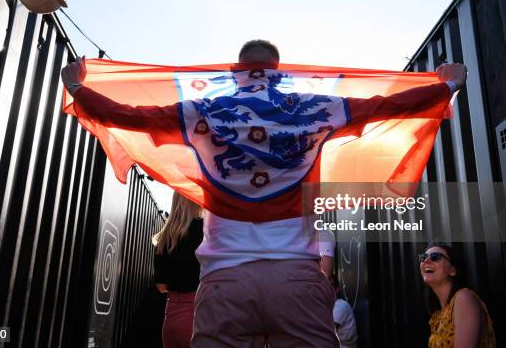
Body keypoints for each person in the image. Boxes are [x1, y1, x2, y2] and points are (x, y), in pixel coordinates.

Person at [62, 40, 468, 347]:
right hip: (297, 277)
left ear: (236, 71)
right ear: (278, 70)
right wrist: (445, 85)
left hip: (225, 279)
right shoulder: (314, 109)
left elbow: (129, 116)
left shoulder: (203, 111)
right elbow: (383, 106)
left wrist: (78, 89)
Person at [153, 192, 203, 348]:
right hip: (197, 315)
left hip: (171, 318)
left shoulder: (164, 238)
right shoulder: (205, 230)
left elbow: (161, 287)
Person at [420, 244, 496, 348]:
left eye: (435, 257)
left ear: (453, 270)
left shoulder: (463, 298)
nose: (426, 261)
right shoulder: (438, 315)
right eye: (423, 257)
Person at [329, 277, 357, 348]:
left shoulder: (341, 305)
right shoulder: (327, 305)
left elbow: (328, 331)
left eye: (330, 285)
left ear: (336, 289)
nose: (327, 288)